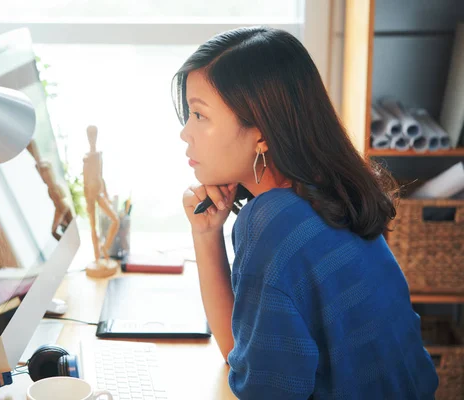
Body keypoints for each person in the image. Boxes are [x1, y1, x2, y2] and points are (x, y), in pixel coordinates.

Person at [174, 26, 438, 400]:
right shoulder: (329, 191)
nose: (185, 132)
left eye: (200, 116)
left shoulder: (273, 224)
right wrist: (206, 234)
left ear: (262, 133)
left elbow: (261, 390)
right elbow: (245, 357)